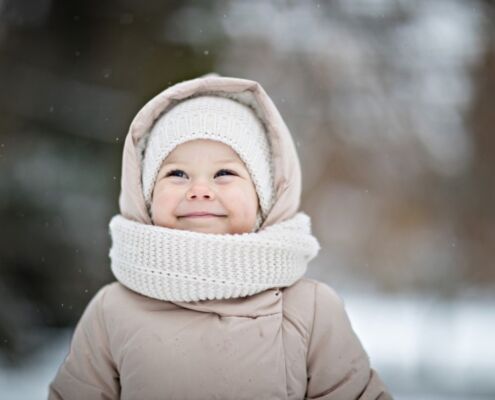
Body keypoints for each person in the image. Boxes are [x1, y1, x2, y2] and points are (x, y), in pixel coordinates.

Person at [48, 73, 393, 399]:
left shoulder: (310, 309)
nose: (199, 190)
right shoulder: (113, 310)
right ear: (146, 194)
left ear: (265, 197)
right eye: (177, 173)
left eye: (224, 172)